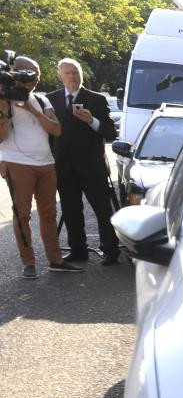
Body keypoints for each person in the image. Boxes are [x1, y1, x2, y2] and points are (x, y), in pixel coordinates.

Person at [0, 57, 82, 278]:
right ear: (14, 73)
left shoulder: (42, 100)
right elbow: (1, 136)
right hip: (17, 163)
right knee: (22, 215)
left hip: (46, 163)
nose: (32, 76)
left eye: (35, 72)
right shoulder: (3, 98)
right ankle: (29, 263)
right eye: (25, 72)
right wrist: (6, 107)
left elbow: (56, 130)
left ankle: (55, 260)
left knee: (48, 213)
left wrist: (32, 110)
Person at [46, 58, 120, 265]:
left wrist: (91, 121)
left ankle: (111, 250)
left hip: (92, 166)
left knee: (103, 211)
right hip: (63, 166)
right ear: (60, 75)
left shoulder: (96, 99)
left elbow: (110, 132)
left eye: (76, 73)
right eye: (68, 73)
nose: (73, 77)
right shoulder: (51, 100)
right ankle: (78, 250)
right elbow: (48, 135)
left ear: (82, 75)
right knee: (71, 211)